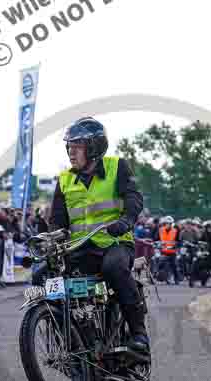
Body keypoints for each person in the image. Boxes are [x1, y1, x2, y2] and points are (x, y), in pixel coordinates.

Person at [47, 117, 150, 363]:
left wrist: (126, 220)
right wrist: (51, 238)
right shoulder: (64, 180)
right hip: (79, 248)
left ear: (93, 147)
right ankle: (69, 339)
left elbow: (134, 198)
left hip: (114, 243)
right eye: (69, 146)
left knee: (113, 267)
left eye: (77, 145)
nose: (71, 151)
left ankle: (138, 335)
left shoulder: (117, 167)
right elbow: (57, 220)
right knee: (44, 274)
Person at [158, 216, 180, 284]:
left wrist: (175, 245)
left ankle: (177, 279)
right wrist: (156, 243)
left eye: (170, 223)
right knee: (159, 263)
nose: (168, 225)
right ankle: (156, 276)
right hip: (163, 251)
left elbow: (178, 241)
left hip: (172, 251)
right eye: (167, 223)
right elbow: (156, 238)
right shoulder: (161, 230)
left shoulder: (175, 230)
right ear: (165, 224)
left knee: (174, 265)